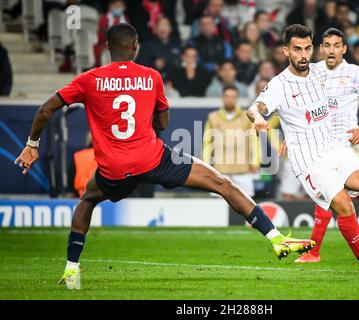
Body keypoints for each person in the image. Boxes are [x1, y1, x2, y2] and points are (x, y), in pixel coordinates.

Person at [14, 23, 314, 290]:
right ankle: (275, 237)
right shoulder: (151, 77)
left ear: (107, 49)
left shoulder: (88, 79)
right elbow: (162, 124)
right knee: (222, 183)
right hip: (154, 159)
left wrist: (32, 145)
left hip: (113, 168)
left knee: (88, 200)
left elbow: (45, 110)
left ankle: (71, 270)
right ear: (135, 47)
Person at [247, 24, 359, 281]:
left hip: (334, 146)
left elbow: (351, 84)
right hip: (309, 160)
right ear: (286, 50)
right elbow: (257, 107)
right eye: (297, 49)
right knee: (344, 206)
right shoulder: (279, 85)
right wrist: (257, 118)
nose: (303, 55)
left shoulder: (321, 73)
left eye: (308, 48)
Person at [287, 27, 359, 265]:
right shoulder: (313, 71)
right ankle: (314, 253)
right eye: (327, 45)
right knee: (331, 198)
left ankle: (315, 253)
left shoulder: (354, 73)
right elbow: (302, 107)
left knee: (340, 198)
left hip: (347, 146)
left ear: (344, 49)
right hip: (321, 146)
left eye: (337, 45)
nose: (331, 50)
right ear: (321, 48)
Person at [203, 85, 259, 196]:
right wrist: (206, 164)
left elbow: (254, 140)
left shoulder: (246, 117)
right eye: (227, 96)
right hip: (220, 170)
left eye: (233, 97)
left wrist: (255, 161)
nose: (230, 99)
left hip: (242, 170)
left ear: (237, 99)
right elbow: (207, 142)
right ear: (223, 98)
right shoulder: (213, 117)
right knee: (218, 204)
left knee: (247, 202)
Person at [94, 0, 128, 67]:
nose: (118, 8)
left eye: (120, 6)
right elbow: (101, 36)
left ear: (124, 7)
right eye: (116, 6)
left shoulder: (126, 19)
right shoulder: (104, 18)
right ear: (110, 6)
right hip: (105, 44)